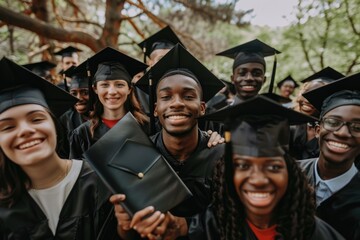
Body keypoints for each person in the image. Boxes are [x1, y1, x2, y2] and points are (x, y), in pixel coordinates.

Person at [187, 95, 344, 240]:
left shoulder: (318, 235)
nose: (259, 180)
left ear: (290, 173)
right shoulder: (208, 227)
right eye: (243, 166)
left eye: (274, 167)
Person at [110, 44, 225, 239]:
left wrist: (185, 226)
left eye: (188, 96)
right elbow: (126, 234)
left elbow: (234, 222)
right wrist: (126, 226)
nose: (177, 103)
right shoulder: (137, 156)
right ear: (155, 109)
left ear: (202, 108)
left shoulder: (223, 157)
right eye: (166, 97)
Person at [0, 57, 119, 239]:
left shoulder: (100, 183)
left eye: (37, 119)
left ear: (55, 126)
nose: (25, 131)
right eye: (7, 127)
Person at [298, 72, 360, 240]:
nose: (342, 133)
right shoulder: (290, 174)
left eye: (357, 127)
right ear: (318, 130)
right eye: (333, 122)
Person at [69, 47, 149, 159]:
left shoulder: (146, 127)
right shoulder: (83, 134)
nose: (112, 92)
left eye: (119, 84)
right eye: (105, 85)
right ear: (95, 89)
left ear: (129, 89)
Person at [289, 67, 345, 160]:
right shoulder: (291, 122)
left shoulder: (339, 132)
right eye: (306, 93)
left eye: (316, 96)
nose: (307, 100)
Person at [216, 39, 280, 105]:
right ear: (232, 79)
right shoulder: (218, 114)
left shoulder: (277, 114)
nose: (249, 78)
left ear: (264, 79)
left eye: (257, 73)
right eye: (242, 73)